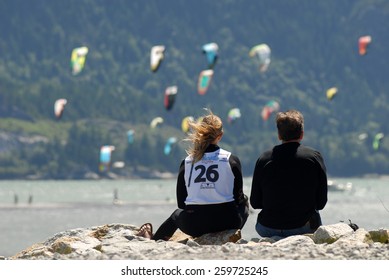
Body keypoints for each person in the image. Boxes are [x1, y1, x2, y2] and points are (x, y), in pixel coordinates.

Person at [137, 110, 249, 240]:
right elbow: (238, 197)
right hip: (227, 223)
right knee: (245, 201)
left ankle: (154, 239)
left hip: (195, 225)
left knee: (176, 214)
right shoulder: (231, 160)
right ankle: (228, 236)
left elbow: (181, 203)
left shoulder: (188, 161)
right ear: (220, 135)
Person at [250, 109, 328, 238]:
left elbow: (255, 203)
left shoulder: (264, 158)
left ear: (279, 135)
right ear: (301, 134)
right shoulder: (314, 157)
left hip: (267, 227)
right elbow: (321, 202)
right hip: (303, 227)